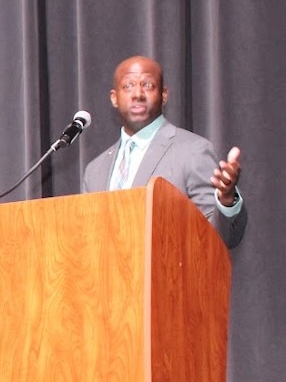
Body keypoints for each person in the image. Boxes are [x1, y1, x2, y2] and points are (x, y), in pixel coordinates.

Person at [82, 55, 247, 249]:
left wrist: (226, 200)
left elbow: (218, 240)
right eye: (128, 86)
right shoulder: (95, 170)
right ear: (114, 98)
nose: (137, 94)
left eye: (148, 85)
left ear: (164, 95)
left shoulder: (192, 151)